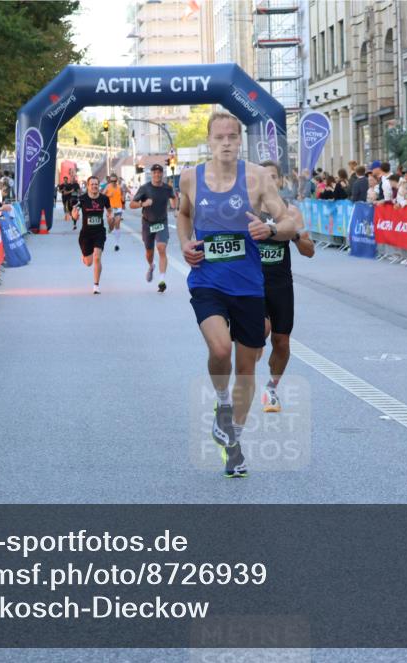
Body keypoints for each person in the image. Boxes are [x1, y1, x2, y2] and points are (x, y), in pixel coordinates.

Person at [176, 111, 297, 478]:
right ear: (210, 141)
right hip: (207, 280)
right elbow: (183, 215)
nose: (226, 142)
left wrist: (271, 229)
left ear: (239, 140)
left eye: (232, 136)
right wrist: (184, 243)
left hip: (248, 285)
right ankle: (223, 405)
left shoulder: (258, 177)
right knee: (220, 349)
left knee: (246, 367)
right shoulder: (190, 178)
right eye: (219, 137)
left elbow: (291, 221)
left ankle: (234, 442)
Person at [257, 161, 315, 412]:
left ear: (280, 182)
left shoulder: (290, 212)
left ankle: (271, 388)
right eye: (264, 178)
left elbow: (309, 251)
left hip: (280, 284)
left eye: (273, 178)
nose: (269, 182)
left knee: (281, 341)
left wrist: (293, 235)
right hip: (252, 284)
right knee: (262, 330)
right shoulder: (247, 211)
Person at [130, 164, 178, 293]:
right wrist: (143, 203)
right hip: (147, 223)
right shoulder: (145, 188)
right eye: (154, 172)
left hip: (162, 222)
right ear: (151, 174)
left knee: (161, 248)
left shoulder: (167, 188)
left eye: (159, 172)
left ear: (162, 174)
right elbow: (132, 204)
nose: (157, 175)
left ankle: (162, 280)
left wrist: (175, 206)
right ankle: (151, 266)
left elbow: (174, 198)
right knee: (149, 252)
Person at [71, 176, 112, 294]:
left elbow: (109, 210)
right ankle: (84, 256)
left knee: (97, 257)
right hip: (86, 234)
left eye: (96, 184)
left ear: (98, 186)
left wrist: (110, 216)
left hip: (99, 232)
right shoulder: (82, 199)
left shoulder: (104, 198)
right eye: (92, 184)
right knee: (89, 263)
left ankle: (96, 285)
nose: (94, 186)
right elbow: (75, 210)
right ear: (88, 186)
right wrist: (74, 215)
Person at [104, 174, 125, 251]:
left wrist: (123, 199)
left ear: (117, 180)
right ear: (110, 180)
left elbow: (122, 196)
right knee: (111, 224)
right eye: (111, 181)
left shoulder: (120, 187)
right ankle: (110, 228)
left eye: (114, 181)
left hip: (118, 208)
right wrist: (109, 195)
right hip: (110, 209)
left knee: (117, 224)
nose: (113, 182)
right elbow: (102, 195)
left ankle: (117, 243)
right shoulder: (108, 186)